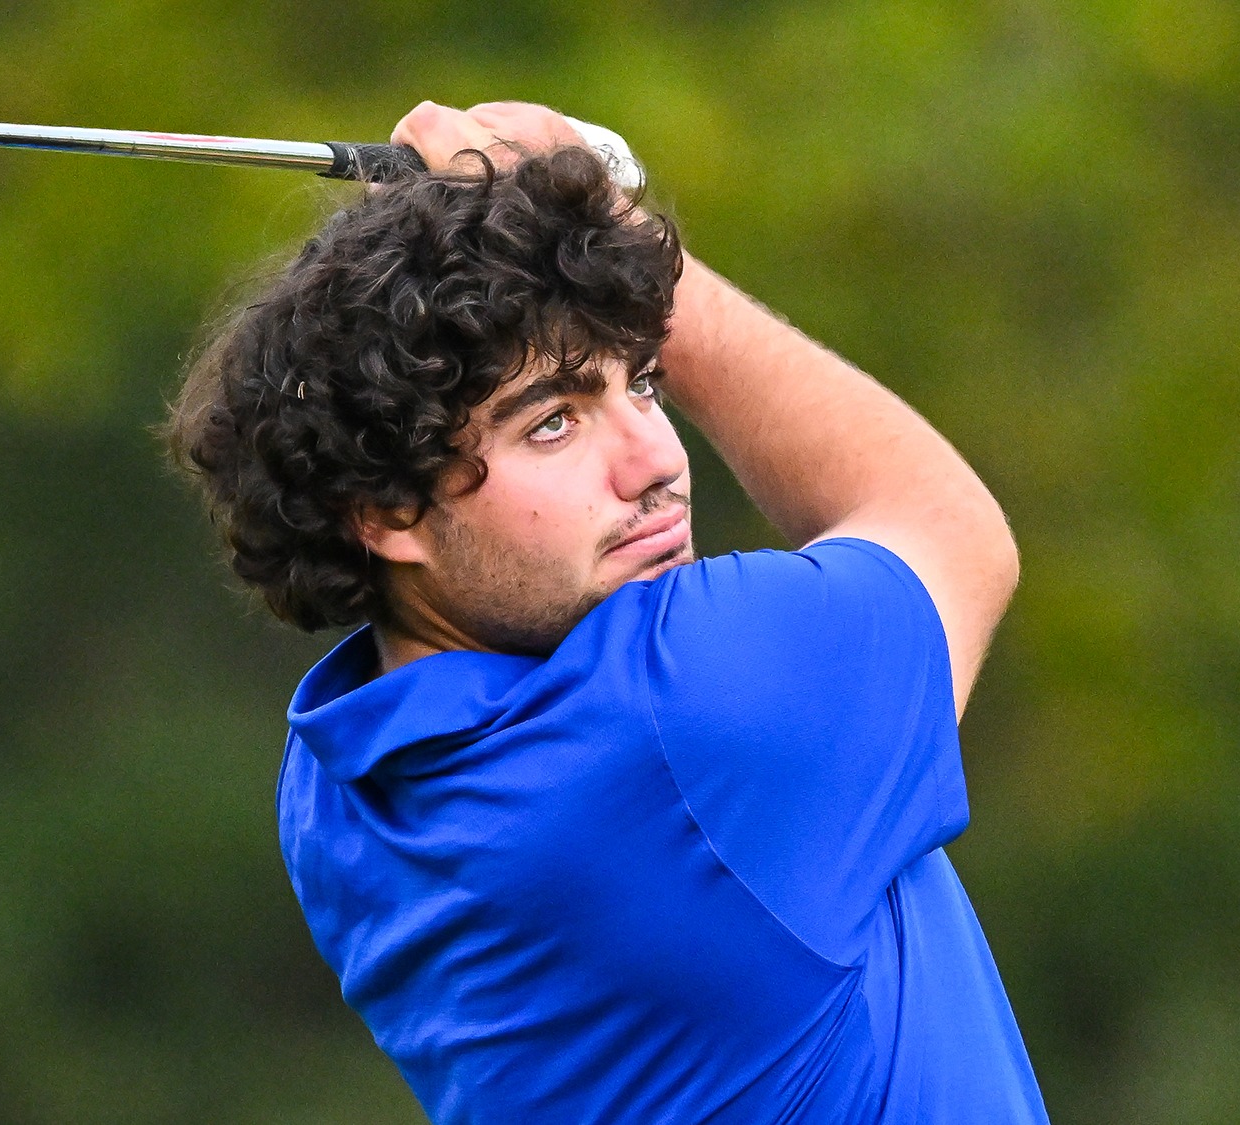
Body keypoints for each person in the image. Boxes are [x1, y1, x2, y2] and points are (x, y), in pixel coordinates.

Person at [168, 99, 1043, 1123]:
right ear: (385, 510)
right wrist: (602, 220)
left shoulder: (333, 786)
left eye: (645, 384)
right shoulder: (682, 714)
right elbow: (948, 528)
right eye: (552, 424)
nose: (655, 463)